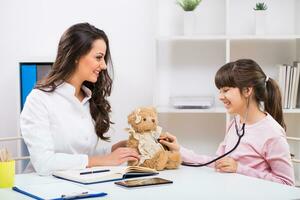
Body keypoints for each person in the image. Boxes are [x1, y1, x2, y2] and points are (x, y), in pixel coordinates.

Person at [20, 23, 139, 175]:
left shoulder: (89, 99)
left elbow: (81, 156)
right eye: (98, 57)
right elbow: (44, 163)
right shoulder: (39, 99)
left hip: (83, 184)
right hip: (44, 187)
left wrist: (114, 150)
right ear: (76, 56)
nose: (103, 66)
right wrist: (104, 160)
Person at [159, 59, 295, 186]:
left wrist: (239, 169)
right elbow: (218, 163)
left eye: (225, 90)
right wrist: (179, 150)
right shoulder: (235, 123)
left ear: (247, 90)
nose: (220, 96)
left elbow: (287, 183)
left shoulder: (272, 133)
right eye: (220, 91)